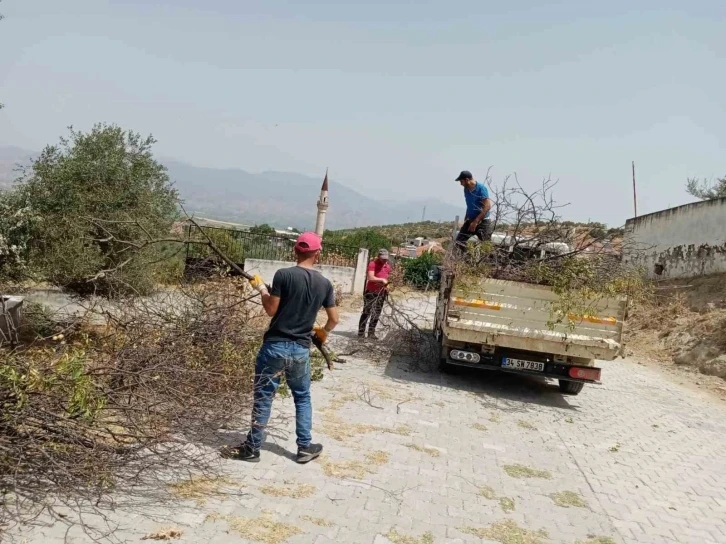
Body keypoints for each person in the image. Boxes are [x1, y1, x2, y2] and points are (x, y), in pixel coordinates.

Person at [224, 232, 339, 464]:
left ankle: (252, 448)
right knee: (303, 397)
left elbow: (271, 310)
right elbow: (334, 318)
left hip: (274, 347)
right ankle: (305, 447)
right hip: (300, 350)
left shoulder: (283, 275)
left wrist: (261, 290)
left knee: (264, 397)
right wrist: (323, 332)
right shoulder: (324, 284)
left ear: (295, 251)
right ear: (317, 253)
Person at [454, 170, 493, 252]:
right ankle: (467, 261)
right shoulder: (466, 190)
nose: (461, 184)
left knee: (487, 247)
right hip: (470, 220)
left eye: (462, 181)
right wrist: (467, 217)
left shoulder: (481, 189)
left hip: (482, 222)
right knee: (459, 242)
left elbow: (487, 206)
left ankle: (491, 263)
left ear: (467, 180)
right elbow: (469, 204)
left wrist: (476, 221)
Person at [358, 248, 392, 340]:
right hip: (371, 293)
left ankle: (371, 333)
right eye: (383, 258)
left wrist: (387, 287)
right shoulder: (373, 264)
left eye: (386, 258)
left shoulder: (387, 266)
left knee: (376, 313)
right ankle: (361, 333)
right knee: (366, 312)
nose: (384, 260)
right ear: (378, 256)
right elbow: (370, 277)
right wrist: (381, 280)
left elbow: (386, 278)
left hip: (381, 293)